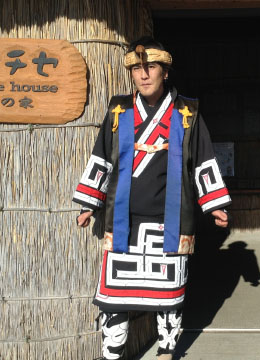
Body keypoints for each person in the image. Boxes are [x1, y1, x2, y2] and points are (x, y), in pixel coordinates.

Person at [73, 36, 231, 360]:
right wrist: (90, 202)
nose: (144, 75)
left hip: (169, 222)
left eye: (152, 67)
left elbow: (202, 159)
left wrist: (214, 204)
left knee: (168, 299)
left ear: (166, 71)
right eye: (138, 69)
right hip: (123, 222)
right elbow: (102, 156)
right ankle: (112, 354)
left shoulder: (187, 112)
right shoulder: (120, 110)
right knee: (114, 300)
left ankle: (165, 353)